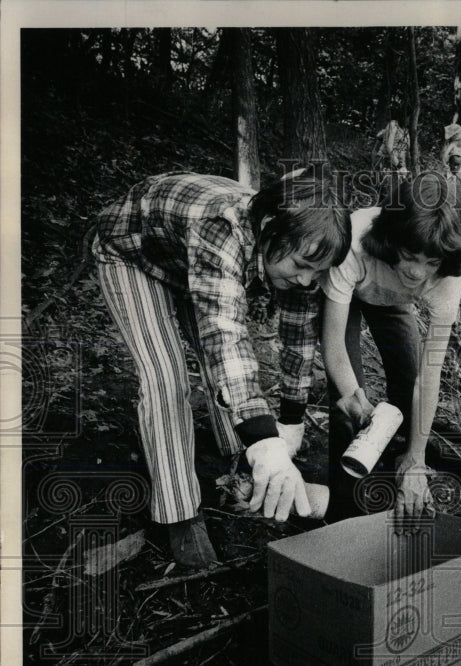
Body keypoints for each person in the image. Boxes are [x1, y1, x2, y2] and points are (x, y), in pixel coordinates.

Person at [92, 169, 350, 568]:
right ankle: (179, 514)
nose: (306, 280)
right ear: (269, 228)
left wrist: (292, 420)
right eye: (301, 265)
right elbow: (225, 334)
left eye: (317, 272)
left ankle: (238, 458)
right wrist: (266, 440)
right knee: (166, 376)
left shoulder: (302, 253)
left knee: (224, 371)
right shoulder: (221, 227)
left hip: (187, 260)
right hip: (133, 255)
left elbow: (299, 337)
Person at [318, 173, 461, 523]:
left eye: (431, 263)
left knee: (408, 380)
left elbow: (428, 376)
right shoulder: (355, 240)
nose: (419, 273)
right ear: (392, 242)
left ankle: (402, 470)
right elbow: (334, 347)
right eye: (410, 257)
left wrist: (416, 458)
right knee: (347, 401)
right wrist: (360, 409)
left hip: (394, 302)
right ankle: (344, 505)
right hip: (350, 295)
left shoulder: (446, 276)